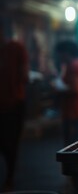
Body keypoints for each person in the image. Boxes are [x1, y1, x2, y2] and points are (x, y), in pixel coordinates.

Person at [0, 19, 28, 191]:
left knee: (10, 143)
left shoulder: (16, 48)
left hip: (14, 103)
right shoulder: (16, 48)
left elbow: (23, 75)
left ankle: (10, 176)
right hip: (9, 104)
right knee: (7, 142)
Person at [54, 40, 78, 145]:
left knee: (73, 147)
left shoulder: (73, 66)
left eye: (59, 53)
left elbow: (75, 89)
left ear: (66, 53)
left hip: (75, 113)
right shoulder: (77, 64)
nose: (58, 57)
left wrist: (58, 88)